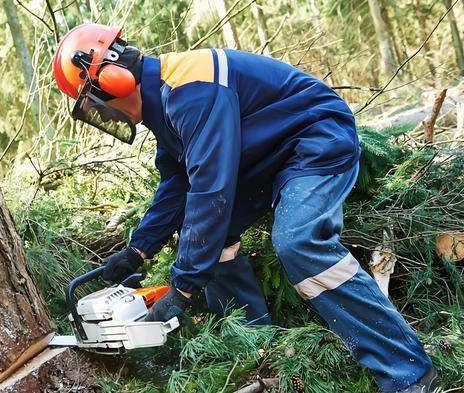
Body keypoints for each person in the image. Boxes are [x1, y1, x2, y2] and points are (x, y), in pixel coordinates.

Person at [52, 23, 437, 392]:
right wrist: (138, 249)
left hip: (315, 138)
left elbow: (210, 188)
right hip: (265, 159)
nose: (101, 113)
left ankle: (407, 370)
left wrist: (182, 289)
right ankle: (255, 348)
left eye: (94, 102)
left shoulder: (191, 87)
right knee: (210, 239)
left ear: (110, 80)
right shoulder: (164, 106)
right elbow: (177, 184)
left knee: (298, 241)